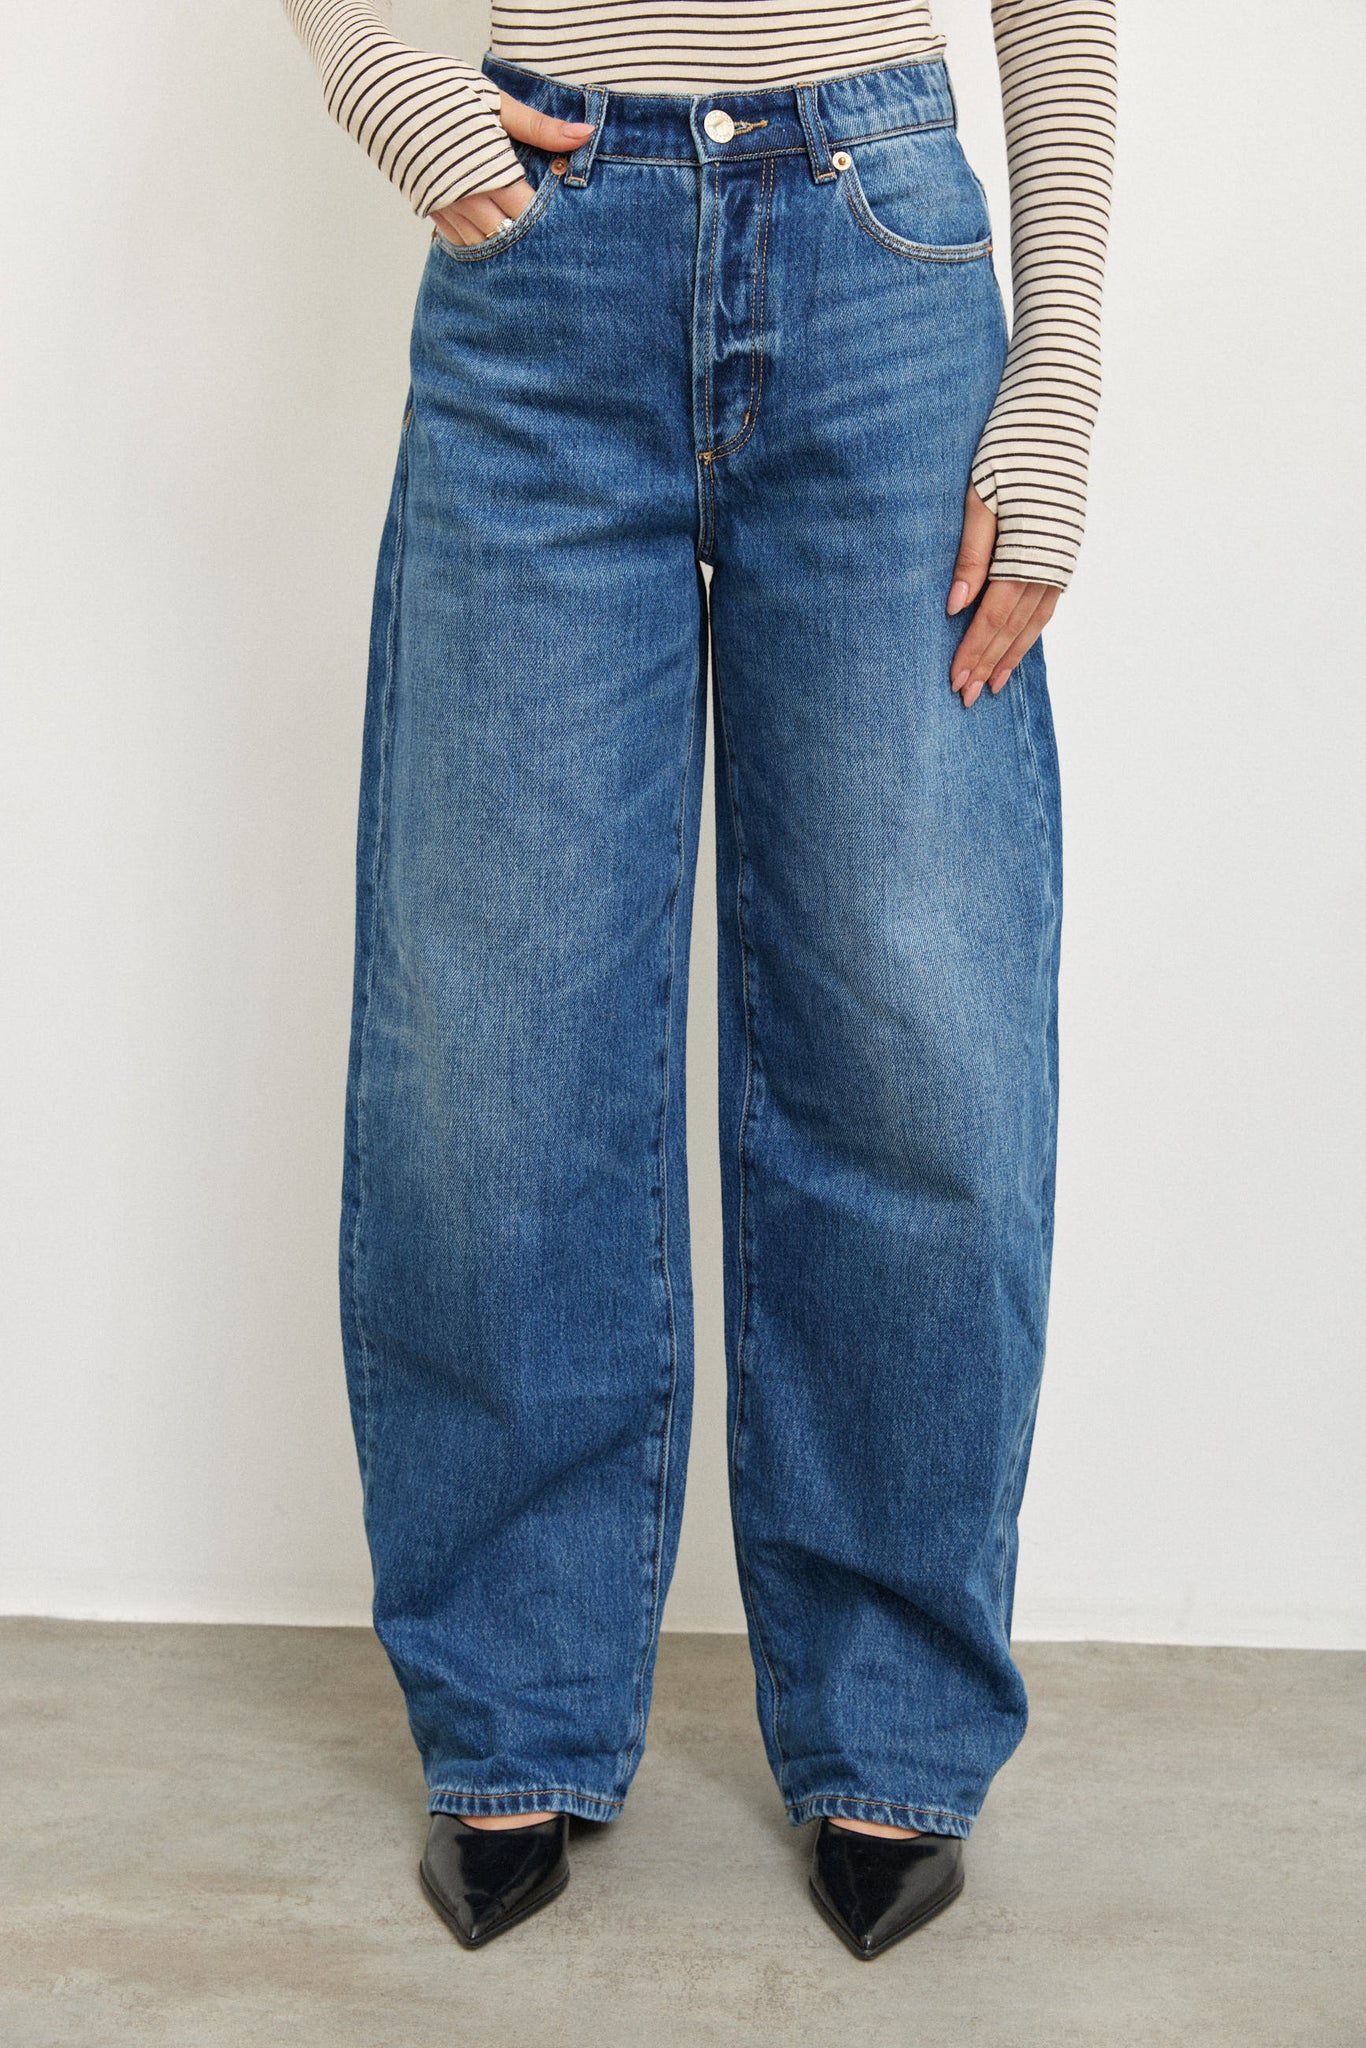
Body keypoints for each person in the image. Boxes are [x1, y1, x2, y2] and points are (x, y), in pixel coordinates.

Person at [281, 0, 1116, 1961]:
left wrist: (1057, 375)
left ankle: (892, 1724)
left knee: (917, 1050)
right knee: (494, 1047)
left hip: (885, 263)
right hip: (543, 259)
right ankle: (510, 1706)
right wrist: (368, 62)